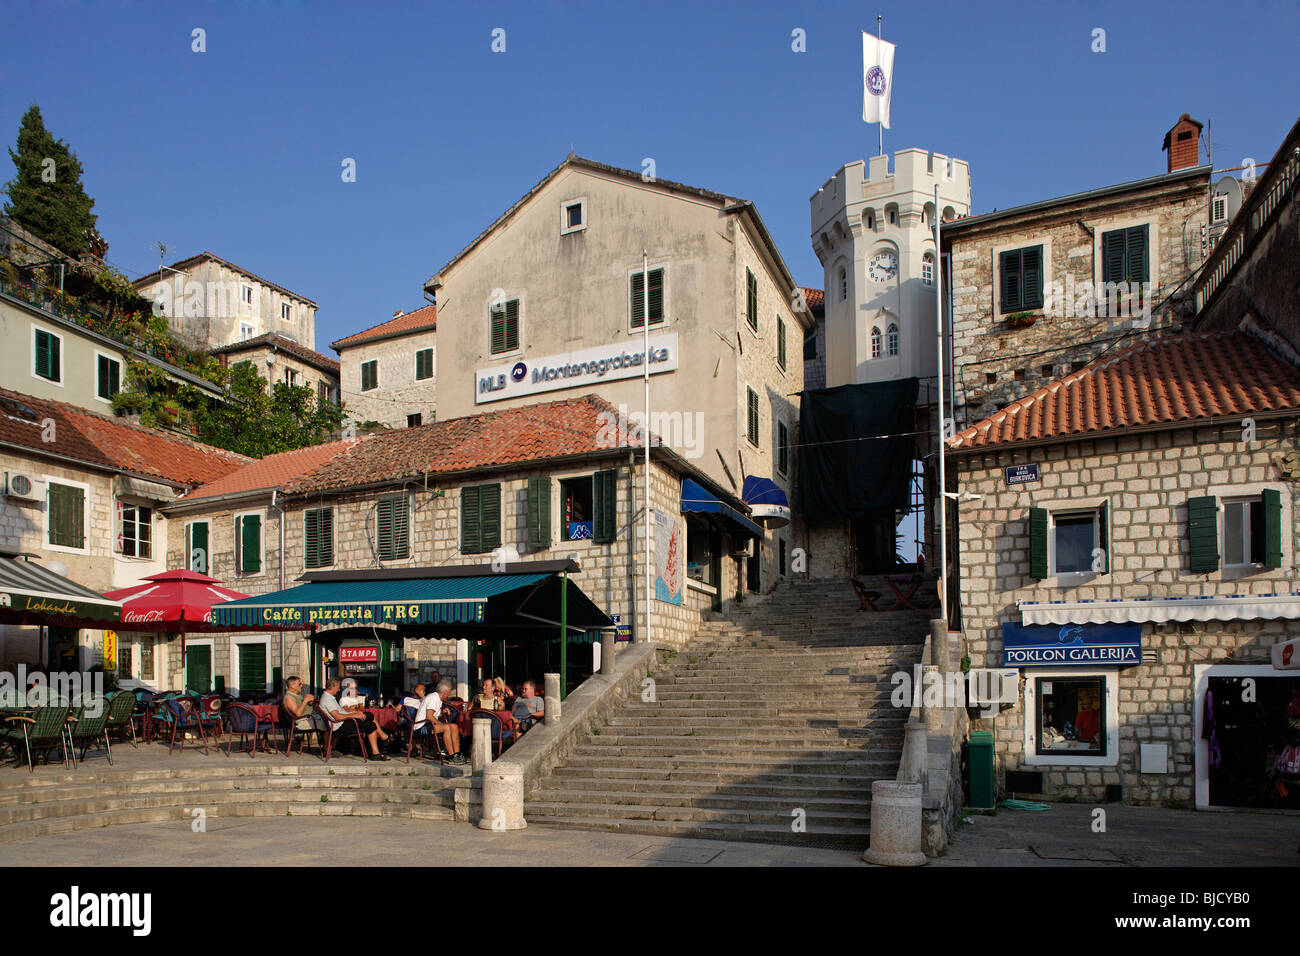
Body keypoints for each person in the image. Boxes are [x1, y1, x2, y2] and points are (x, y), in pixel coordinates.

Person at [318, 677, 389, 760]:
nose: (339, 690)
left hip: (341, 722)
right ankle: (379, 746)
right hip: (339, 726)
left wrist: (354, 713)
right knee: (370, 720)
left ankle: (376, 752)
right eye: (338, 687)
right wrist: (353, 715)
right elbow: (337, 717)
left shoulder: (329, 697)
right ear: (333, 687)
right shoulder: (327, 699)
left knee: (369, 718)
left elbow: (340, 713)